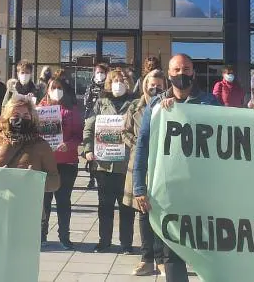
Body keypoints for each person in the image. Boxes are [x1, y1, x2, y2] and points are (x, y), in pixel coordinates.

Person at [132, 54, 222, 282]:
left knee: (207, 247)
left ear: (194, 72)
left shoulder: (210, 103)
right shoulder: (156, 106)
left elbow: (234, 128)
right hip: (169, 190)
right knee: (172, 250)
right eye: (176, 70)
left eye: (187, 69)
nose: (182, 74)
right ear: (169, 74)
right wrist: (139, 187)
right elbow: (143, 146)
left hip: (202, 189)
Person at [83, 68, 137, 254]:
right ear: (108, 83)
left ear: (128, 83)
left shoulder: (134, 104)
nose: (118, 84)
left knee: (126, 208)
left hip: (126, 164)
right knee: (104, 206)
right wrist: (88, 149)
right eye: (114, 80)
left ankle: (126, 244)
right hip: (104, 164)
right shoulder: (100, 103)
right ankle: (104, 241)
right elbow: (89, 128)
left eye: (122, 80)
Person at [124, 70, 167, 276]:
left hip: (161, 165)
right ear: (145, 85)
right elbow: (126, 132)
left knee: (159, 211)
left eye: (159, 85)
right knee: (143, 212)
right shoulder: (135, 106)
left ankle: (161, 258)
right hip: (140, 164)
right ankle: (146, 258)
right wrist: (139, 145)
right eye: (152, 84)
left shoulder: (169, 106)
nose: (155, 88)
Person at [0, 94, 60, 194]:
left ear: (32, 118)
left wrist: (36, 181)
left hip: (27, 205)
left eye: (25, 116)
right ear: (7, 117)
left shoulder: (41, 145)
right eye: (16, 115)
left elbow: (55, 181)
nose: (21, 119)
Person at [39, 77, 84, 249]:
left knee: (64, 201)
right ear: (48, 90)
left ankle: (64, 237)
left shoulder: (72, 111)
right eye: (53, 87)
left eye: (59, 87)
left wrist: (70, 145)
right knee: (44, 202)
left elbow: (79, 135)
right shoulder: (40, 109)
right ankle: (41, 235)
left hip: (67, 163)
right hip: (45, 163)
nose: (56, 90)